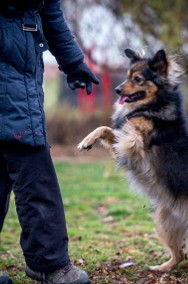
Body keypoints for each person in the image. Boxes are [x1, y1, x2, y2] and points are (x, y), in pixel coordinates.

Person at [0, 0, 99, 283]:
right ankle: (48, 262)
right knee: (36, 175)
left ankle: (47, 262)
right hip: (11, 86)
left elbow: (52, 17)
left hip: (21, 85)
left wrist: (74, 63)